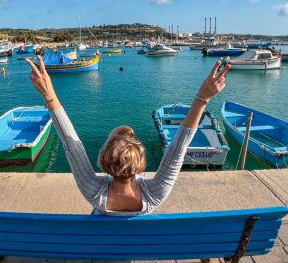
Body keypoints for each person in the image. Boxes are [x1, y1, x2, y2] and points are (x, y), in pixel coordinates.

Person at [25, 57, 230, 216]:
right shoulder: (156, 193)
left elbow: (72, 147)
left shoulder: (94, 192)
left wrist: (49, 95)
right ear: (140, 163)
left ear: (103, 160)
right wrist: (203, 97)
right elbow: (179, 149)